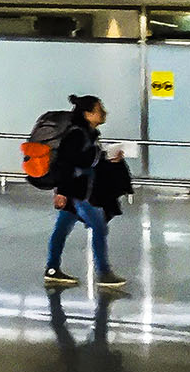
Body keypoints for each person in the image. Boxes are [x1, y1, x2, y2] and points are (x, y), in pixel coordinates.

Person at [43, 94, 127, 290]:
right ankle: (104, 272)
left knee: (62, 229)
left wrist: (106, 158)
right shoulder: (77, 135)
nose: (104, 113)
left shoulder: (88, 134)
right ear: (88, 114)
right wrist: (61, 192)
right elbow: (66, 163)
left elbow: (87, 160)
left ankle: (52, 269)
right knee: (98, 227)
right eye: (100, 109)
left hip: (79, 190)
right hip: (76, 192)